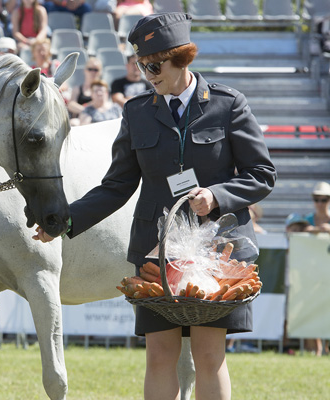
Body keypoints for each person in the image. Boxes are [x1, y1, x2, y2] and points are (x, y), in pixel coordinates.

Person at [33, 12, 276, 399]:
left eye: (155, 64)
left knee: (209, 355)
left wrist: (217, 195)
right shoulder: (136, 112)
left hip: (218, 250)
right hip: (155, 250)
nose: (148, 73)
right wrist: (64, 220)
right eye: (141, 65)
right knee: (159, 356)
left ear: (182, 57)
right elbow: (116, 186)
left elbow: (261, 173)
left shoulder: (229, 104)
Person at [302, 181, 330, 356]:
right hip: (312, 272)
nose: (319, 203)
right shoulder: (308, 220)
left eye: (324, 199)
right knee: (313, 307)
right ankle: (318, 348)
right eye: (316, 199)